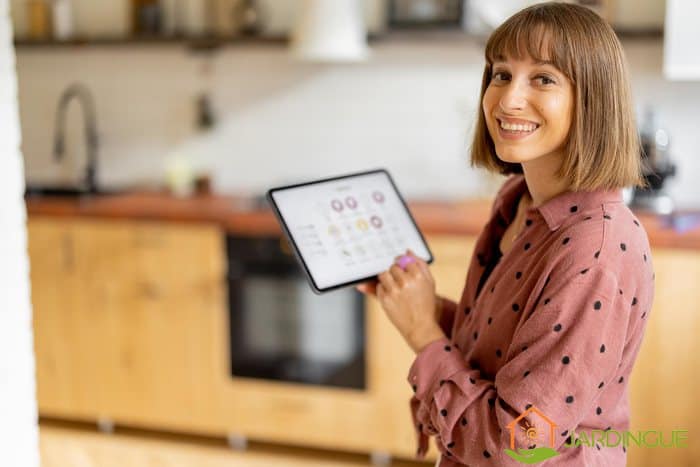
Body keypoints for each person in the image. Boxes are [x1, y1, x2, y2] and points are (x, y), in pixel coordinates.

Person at [356, 2, 654, 466]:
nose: (508, 99)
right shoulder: (518, 201)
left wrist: (421, 331)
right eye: (500, 74)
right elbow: (505, 347)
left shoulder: (596, 248)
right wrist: (422, 305)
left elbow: (517, 446)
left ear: (594, 98)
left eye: (544, 78)